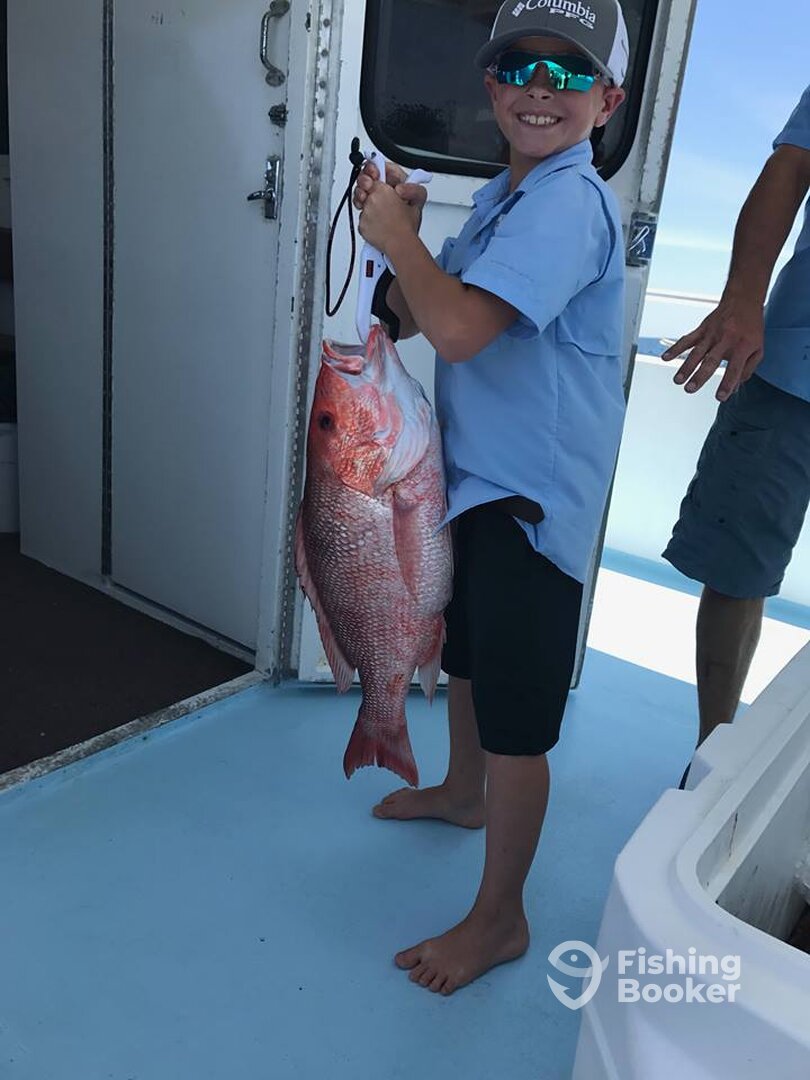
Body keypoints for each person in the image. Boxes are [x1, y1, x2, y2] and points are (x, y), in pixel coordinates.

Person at [352, 0, 628, 995]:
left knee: (517, 718)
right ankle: (461, 795)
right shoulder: (507, 203)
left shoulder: (570, 203)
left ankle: (500, 918)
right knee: (466, 659)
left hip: (533, 504)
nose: (539, 91)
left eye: (568, 76)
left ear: (608, 101)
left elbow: (462, 332)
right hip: (479, 487)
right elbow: (423, 315)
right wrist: (405, 243)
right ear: (490, 85)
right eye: (519, 67)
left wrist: (409, 248)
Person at [661, 86, 810, 783]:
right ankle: (709, 755)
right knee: (736, 567)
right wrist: (742, 300)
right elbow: (791, 164)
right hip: (793, 368)